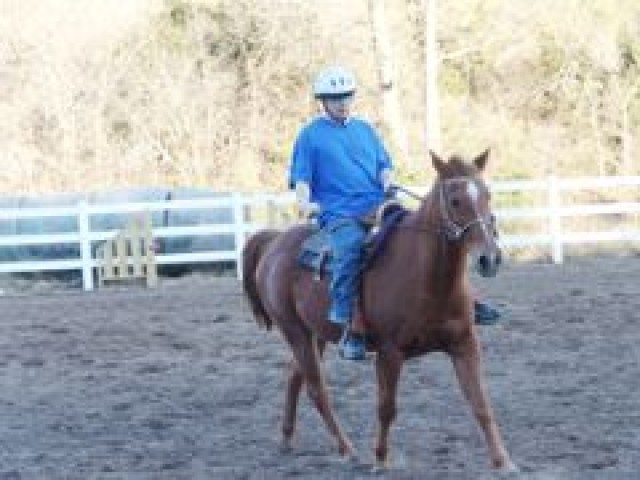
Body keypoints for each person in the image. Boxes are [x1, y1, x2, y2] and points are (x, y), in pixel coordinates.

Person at [288, 66, 502, 360]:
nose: (342, 102)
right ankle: (349, 324)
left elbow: (383, 165)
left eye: (346, 96)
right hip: (340, 212)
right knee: (349, 250)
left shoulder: (365, 129)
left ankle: (469, 302)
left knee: (428, 237)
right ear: (322, 101)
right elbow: (301, 178)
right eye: (334, 97)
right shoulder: (310, 136)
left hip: (378, 203)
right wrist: (304, 201)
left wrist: (387, 178)